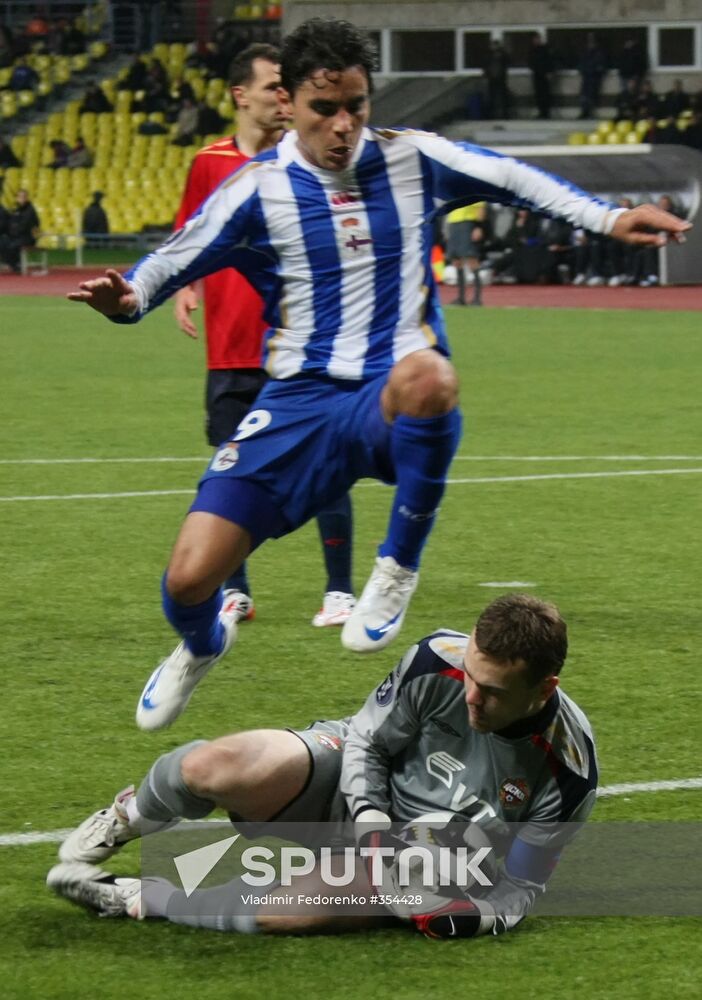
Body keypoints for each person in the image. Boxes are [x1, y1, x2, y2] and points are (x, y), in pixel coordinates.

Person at [67, 17, 690, 734]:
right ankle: (203, 644)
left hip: (390, 396)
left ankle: (395, 567)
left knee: (431, 375)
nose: (343, 124)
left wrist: (607, 220)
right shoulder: (256, 191)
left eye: (355, 106)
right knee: (187, 579)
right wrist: (128, 300)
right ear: (288, 103)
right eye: (324, 108)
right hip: (298, 401)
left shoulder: (415, 158)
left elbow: (514, 179)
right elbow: (173, 260)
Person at [47, 593, 599, 939]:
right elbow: (368, 744)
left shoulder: (568, 775)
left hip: (416, 861)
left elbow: (522, 886)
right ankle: (127, 817)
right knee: (215, 764)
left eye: (493, 691)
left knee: (288, 912)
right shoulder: (438, 660)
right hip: (357, 790)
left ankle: (144, 897)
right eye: (471, 676)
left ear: (544, 687)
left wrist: (478, 917)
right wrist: (370, 824)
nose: (471, 696)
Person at [172, 43, 354, 627]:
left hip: (303, 348)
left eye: (287, 86)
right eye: (274, 84)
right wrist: (185, 288)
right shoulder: (209, 163)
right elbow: (188, 238)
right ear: (240, 95)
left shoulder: (305, 159)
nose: (283, 95)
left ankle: (339, 592)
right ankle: (236, 592)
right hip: (230, 348)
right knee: (232, 471)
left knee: (326, 465)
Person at [445, 201, 487, 305]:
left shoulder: (473, 191)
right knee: (456, 260)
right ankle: (461, 298)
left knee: (472, 259)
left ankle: (477, 298)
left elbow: (480, 208)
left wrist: (478, 227)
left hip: (467, 224)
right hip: (453, 223)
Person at [0, 188, 40, 273]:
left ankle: (16, 264)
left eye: (23, 197)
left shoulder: (30, 210)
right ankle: (14, 263)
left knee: (11, 246)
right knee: (2, 243)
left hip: (27, 237)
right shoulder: (17, 209)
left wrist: (11, 231)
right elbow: (9, 222)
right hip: (16, 237)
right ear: (17, 198)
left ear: (27, 198)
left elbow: (23, 226)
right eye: (19, 197)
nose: (21, 199)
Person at [578, 33, 607, 119]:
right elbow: (581, 64)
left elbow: (601, 66)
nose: (590, 44)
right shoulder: (585, 53)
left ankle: (589, 112)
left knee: (591, 95)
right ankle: (584, 111)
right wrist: (583, 70)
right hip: (586, 77)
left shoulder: (599, 53)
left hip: (594, 78)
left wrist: (597, 71)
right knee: (584, 95)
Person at [527, 32, 553, 120]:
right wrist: (533, 67)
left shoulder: (544, 49)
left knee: (545, 94)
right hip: (536, 74)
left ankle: (546, 112)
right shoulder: (532, 50)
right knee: (538, 94)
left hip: (544, 75)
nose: (536, 41)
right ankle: (541, 111)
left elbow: (549, 61)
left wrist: (549, 71)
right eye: (535, 39)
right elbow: (530, 61)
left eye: (537, 39)